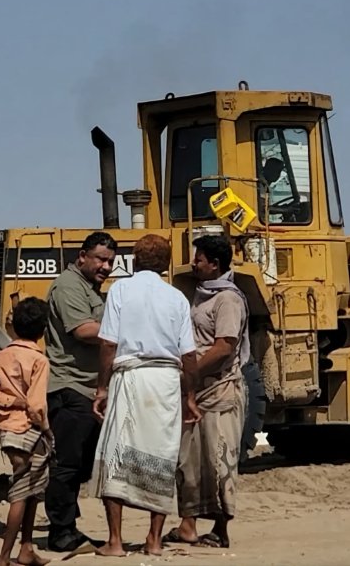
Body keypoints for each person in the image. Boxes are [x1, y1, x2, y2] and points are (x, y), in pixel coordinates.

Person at [88, 233, 201, 557]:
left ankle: (116, 541)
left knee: (116, 455)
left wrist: (101, 388)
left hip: (130, 378)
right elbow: (189, 356)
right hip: (165, 381)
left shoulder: (121, 290)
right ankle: (154, 540)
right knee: (162, 457)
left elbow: (108, 344)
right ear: (166, 265)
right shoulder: (177, 298)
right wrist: (189, 395)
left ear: (135, 261)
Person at [164, 234, 249, 549]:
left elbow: (224, 346)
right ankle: (187, 525)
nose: (194, 264)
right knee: (188, 460)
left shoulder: (228, 299)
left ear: (214, 265)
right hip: (196, 392)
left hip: (219, 392)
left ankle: (220, 529)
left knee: (218, 460)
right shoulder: (201, 294)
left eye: (199, 259)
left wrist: (192, 373)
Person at [43, 231, 117, 552]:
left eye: (111, 261)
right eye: (100, 259)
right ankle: (61, 532)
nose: (105, 266)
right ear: (82, 256)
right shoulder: (68, 286)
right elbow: (84, 330)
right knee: (67, 464)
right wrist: (129, 330)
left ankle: (67, 525)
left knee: (83, 464)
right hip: (69, 387)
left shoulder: (91, 289)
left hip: (88, 390)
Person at [0, 297, 55, 566]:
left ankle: (26, 549)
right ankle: (4, 557)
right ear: (43, 329)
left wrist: (12, 401)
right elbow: (37, 406)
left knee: (31, 488)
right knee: (22, 493)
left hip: (6, 430)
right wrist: (47, 430)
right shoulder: (39, 360)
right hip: (30, 431)